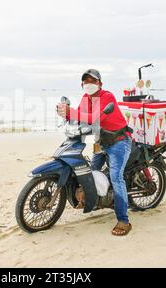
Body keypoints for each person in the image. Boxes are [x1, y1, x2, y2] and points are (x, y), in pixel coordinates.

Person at [56, 69, 133, 236]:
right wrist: (65, 114)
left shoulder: (107, 97)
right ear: (82, 84)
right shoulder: (85, 99)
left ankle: (124, 220)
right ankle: (92, 198)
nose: (89, 84)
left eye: (93, 80)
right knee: (89, 171)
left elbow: (94, 118)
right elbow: (79, 117)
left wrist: (72, 112)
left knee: (116, 177)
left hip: (119, 142)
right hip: (101, 142)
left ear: (100, 84)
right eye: (86, 81)